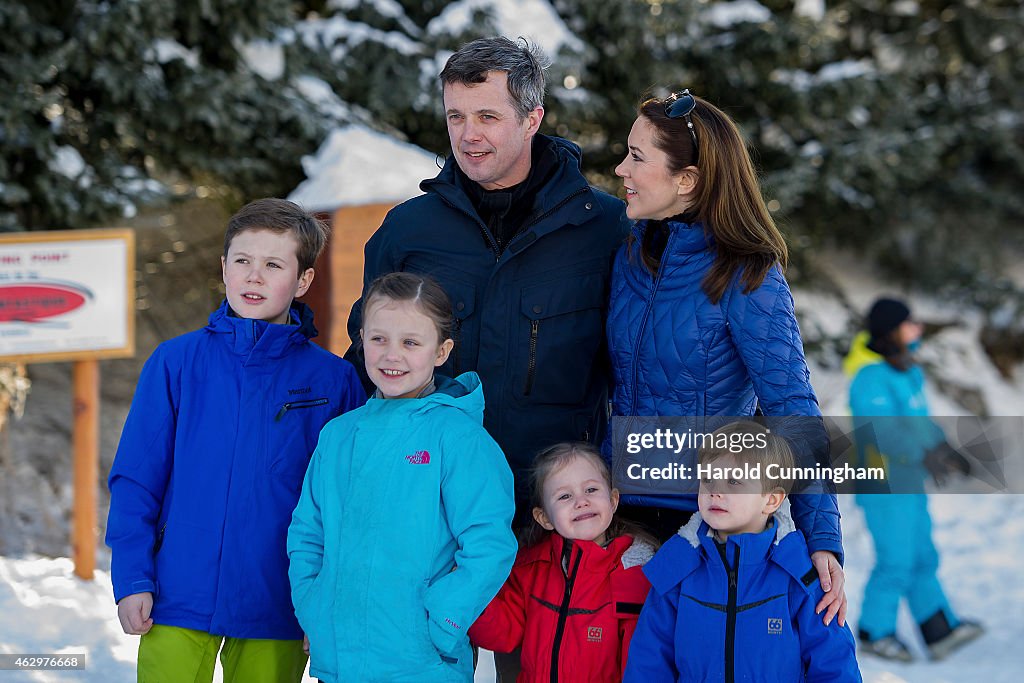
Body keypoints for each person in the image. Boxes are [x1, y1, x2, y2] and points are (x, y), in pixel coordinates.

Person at [344, 36, 631, 517]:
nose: (467, 135)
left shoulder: (604, 229)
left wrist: (643, 507)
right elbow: (362, 358)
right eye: (456, 116)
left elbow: (640, 371)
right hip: (428, 503)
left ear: (532, 119)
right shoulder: (409, 230)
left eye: (487, 117)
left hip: (554, 510)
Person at [605, 88, 847, 623]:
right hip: (622, 515)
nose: (620, 168)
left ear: (686, 181)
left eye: (638, 157)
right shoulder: (632, 253)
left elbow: (792, 404)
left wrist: (821, 535)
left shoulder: (747, 275)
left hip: (709, 521)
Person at [105, 198, 365, 682]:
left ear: (303, 280)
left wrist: (324, 596)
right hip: (176, 594)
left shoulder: (334, 381)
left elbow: (345, 504)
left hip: (277, 600)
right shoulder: (176, 363)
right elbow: (136, 479)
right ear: (223, 266)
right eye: (242, 261)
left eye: (273, 265)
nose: (254, 276)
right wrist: (134, 576)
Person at [289, 272, 518, 682]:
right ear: (362, 340)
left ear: (441, 350)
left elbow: (489, 543)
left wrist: (443, 620)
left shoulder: (459, 437)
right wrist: (313, 604)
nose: (392, 355)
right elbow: (308, 532)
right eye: (379, 339)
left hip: (421, 662)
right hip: (339, 660)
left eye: (411, 342)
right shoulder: (338, 435)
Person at [625, 421, 862, 682]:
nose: (715, 491)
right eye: (708, 479)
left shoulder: (797, 573)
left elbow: (834, 662)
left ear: (771, 500)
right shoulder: (678, 567)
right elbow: (649, 660)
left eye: (734, 481)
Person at [845, 297, 983, 661]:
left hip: (910, 482)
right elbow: (882, 432)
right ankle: (875, 633)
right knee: (896, 561)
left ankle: (938, 630)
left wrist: (946, 449)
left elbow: (920, 424)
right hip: (884, 486)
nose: (917, 328)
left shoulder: (908, 373)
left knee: (923, 556)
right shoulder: (870, 378)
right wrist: (925, 454)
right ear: (891, 330)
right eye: (910, 323)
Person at [469, 443, 655, 682]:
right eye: (565, 496)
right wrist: (471, 591)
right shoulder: (531, 569)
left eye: (591, 489)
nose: (581, 501)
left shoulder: (635, 574)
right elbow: (501, 635)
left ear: (613, 500)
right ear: (544, 518)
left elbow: (641, 665)